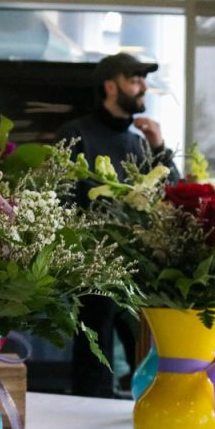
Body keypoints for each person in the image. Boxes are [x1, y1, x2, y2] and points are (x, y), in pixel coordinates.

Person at [57, 52, 178, 397]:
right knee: (95, 360)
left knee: (146, 351)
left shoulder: (140, 142)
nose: (142, 87)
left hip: (138, 269)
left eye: (143, 80)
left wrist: (159, 147)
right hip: (91, 266)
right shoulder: (76, 133)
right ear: (110, 86)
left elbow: (176, 194)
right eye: (134, 79)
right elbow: (62, 197)